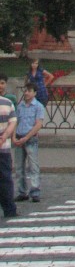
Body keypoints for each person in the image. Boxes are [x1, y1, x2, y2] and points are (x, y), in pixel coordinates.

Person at [13, 82, 45, 202]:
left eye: (29, 91)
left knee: (33, 166)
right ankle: (22, 192)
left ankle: (35, 191)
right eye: (25, 90)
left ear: (34, 93)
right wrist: (14, 137)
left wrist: (26, 137)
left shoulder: (38, 106)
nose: (26, 93)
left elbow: (38, 124)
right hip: (19, 137)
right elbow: (15, 121)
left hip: (30, 139)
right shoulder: (20, 106)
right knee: (19, 167)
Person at [0, 77, 17, 222]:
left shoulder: (8, 102)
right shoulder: (8, 103)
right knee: (5, 180)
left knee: (5, 179)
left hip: (3, 147)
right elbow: (13, 123)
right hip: (3, 147)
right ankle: (9, 209)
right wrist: (4, 136)